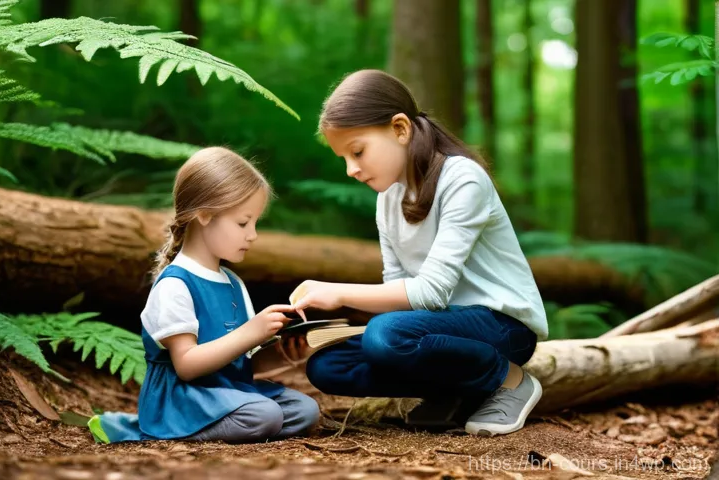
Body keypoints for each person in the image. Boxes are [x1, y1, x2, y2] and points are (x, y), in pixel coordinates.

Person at [290, 70, 549, 436]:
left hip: (502, 327)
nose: (351, 169)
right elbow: (400, 293)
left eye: (358, 151)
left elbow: (430, 293)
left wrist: (339, 292)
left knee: (386, 335)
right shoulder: (387, 201)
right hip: (438, 327)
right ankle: (457, 392)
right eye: (343, 158)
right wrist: (324, 320)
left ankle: (510, 380)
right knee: (328, 365)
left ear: (400, 129)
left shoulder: (462, 179)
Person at [88, 147, 320, 444]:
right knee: (264, 416)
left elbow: (242, 363)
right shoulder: (175, 285)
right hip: (183, 398)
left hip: (229, 392)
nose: (253, 235)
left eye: (255, 224)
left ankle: (241, 425)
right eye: (242, 223)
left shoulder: (234, 284)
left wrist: (286, 353)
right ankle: (163, 431)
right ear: (205, 215)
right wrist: (252, 331)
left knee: (306, 410)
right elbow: (187, 366)